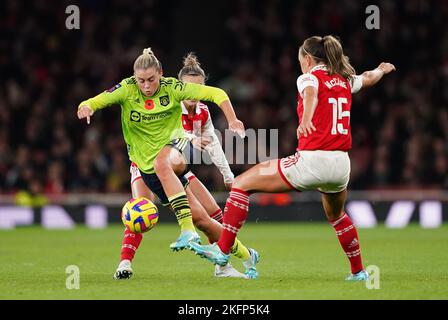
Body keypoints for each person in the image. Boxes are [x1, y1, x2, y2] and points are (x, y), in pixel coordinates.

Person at [189, 35, 396, 281]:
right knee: (337, 216)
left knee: (242, 184)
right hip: (341, 165)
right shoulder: (344, 79)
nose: (300, 64)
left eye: (300, 59)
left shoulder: (308, 77)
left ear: (308, 58)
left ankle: (222, 252)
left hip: (312, 161)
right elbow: (368, 78)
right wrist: (381, 70)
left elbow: (310, 94)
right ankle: (359, 272)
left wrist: (306, 118)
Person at [77, 48, 258, 279]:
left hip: (174, 155)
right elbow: (97, 99)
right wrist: (87, 106)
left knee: (167, 166)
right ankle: (246, 254)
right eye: (141, 80)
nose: (146, 86)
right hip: (144, 166)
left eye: (151, 79)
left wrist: (232, 122)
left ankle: (189, 233)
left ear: (161, 74)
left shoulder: (176, 91)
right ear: (134, 77)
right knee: (201, 219)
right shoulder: (127, 89)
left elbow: (217, 98)